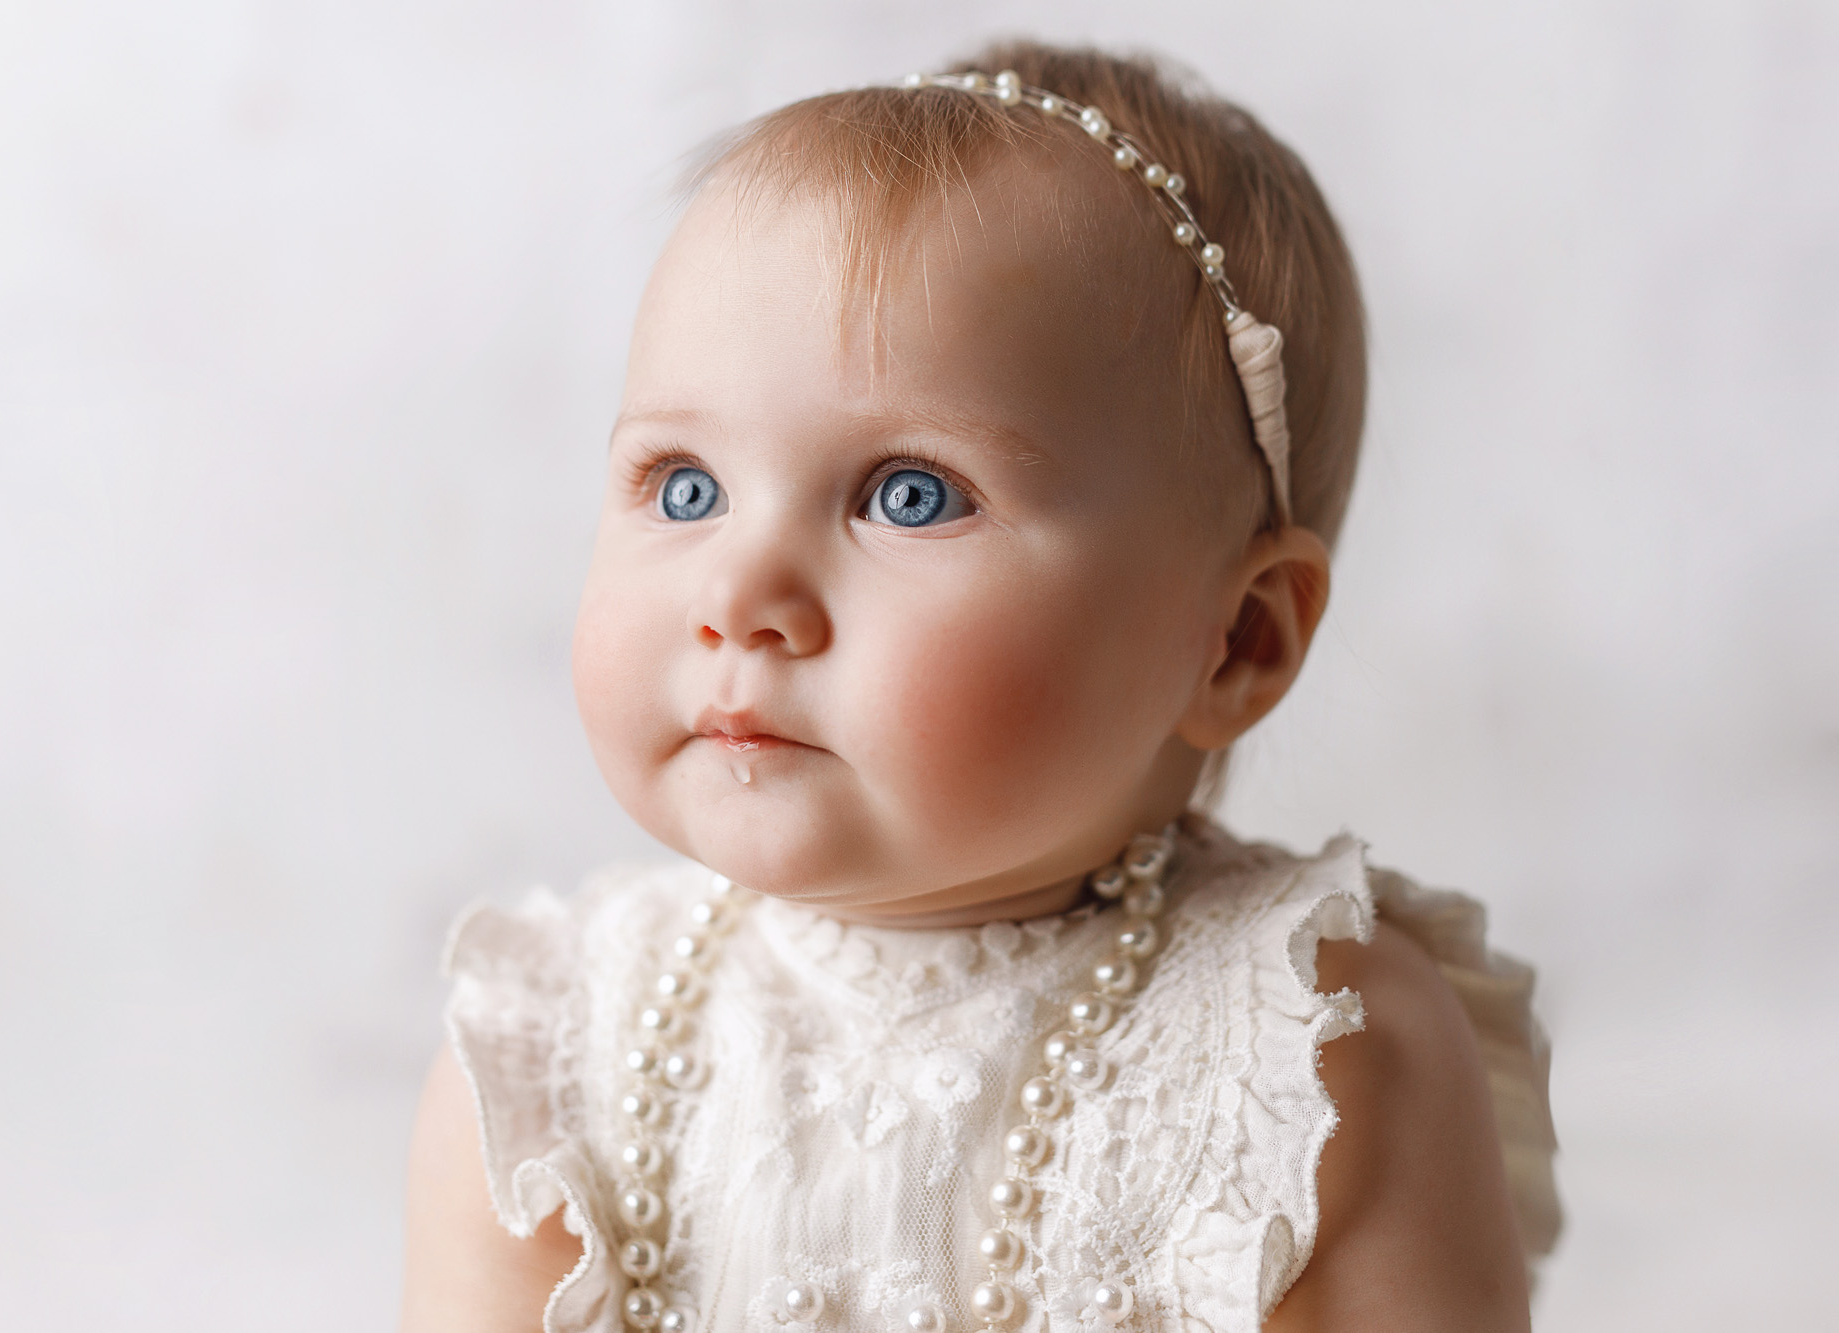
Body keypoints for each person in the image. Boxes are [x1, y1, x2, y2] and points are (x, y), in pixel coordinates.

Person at [398, 40, 1559, 1333]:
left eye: (909, 495)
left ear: (1235, 640)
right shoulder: (553, 1052)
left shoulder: (1309, 1056)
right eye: (686, 487)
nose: (740, 592)